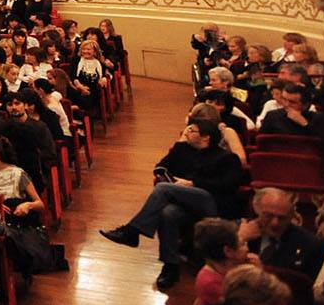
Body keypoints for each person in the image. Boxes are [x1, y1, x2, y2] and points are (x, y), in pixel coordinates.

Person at [100, 118, 247, 288]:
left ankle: (132, 231)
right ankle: (170, 266)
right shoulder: (182, 149)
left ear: (206, 137)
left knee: (163, 189)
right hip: (184, 200)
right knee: (167, 213)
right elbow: (161, 166)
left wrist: (194, 184)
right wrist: (167, 176)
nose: (187, 133)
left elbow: (229, 185)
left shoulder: (226, 158)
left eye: (192, 131)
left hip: (212, 200)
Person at [241, 186, 324, 278]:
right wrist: (241, 238)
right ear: (256, 210)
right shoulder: (240, 231)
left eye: (282, 218)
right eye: (268, 216)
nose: (275, 223)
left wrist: (264, 271)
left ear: (291, 217)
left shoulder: (310, 245)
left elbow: (303, 287)